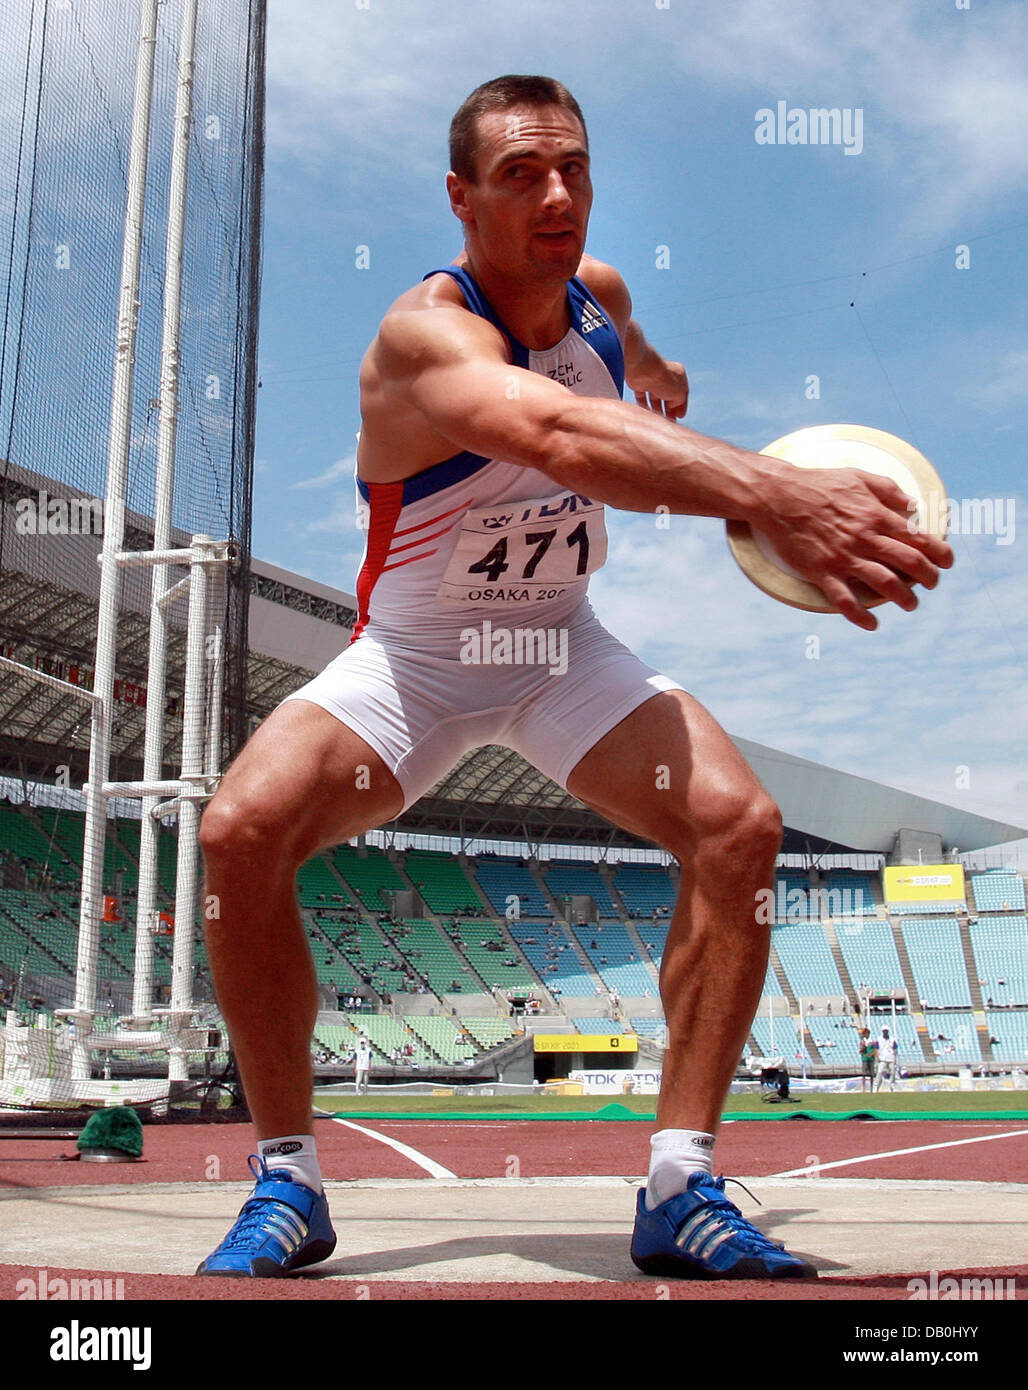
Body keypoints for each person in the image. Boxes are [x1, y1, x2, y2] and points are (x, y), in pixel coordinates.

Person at [195, 75, 951, 1281]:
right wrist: (768, 487)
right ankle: (285, 1175)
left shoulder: (598, 298)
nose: (557, 196)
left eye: (574, 170)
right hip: (416, 661)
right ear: (460, 195)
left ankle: (680, 1181)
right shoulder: (421, 337)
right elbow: (551, 434)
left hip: (558, 646)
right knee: (238, 833)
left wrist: (660, 381)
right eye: (519, 175)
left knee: (738, 826)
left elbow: (627, 375)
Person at [874, 1026, 898, 1092]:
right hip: (882, 1059)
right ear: (882, 1031)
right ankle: (876, 1086)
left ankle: (891, 1086)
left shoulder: (892, 1039)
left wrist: (895, 1058)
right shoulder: (879, 1039)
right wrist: (877, 1057)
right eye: (884, 1031)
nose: (885, 1032)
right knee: (879, 1072)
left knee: (893, 1072)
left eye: (886, 1030)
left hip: (891, 1058)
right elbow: (876, 1048)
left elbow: (895, 1049)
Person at [858, 1027, 876, 1093]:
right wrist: (863, 1047)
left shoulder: (872, 1041)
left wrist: (871, 1054)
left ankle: (871, 1088)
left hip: (871, 1059)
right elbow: (860, 1051)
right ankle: (864, 1088)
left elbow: (875, 1050)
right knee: (864, 1074)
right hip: (865, 1059)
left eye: (865, 1033)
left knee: (871, 1074)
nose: (864, 1034)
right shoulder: (863, 1041)